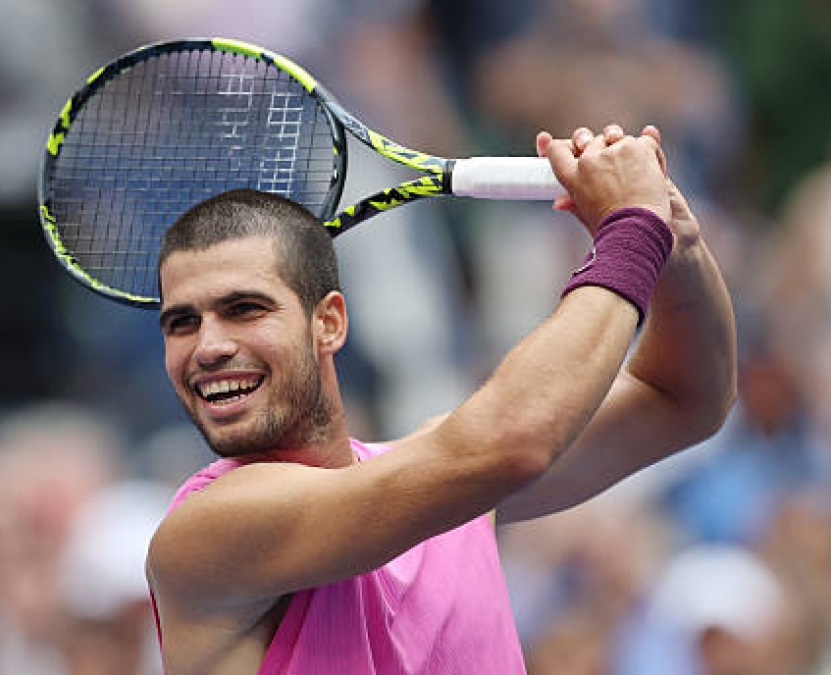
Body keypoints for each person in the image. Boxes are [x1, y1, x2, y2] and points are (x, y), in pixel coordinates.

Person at [146, 124, 736, 673]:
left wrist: (676, 248)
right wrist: (632, 230)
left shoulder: (449, 480)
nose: (208, 347)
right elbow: (511, 444)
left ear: (328, 323)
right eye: (181, 322)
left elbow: (684, 398)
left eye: (244, 309)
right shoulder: (207, 531)